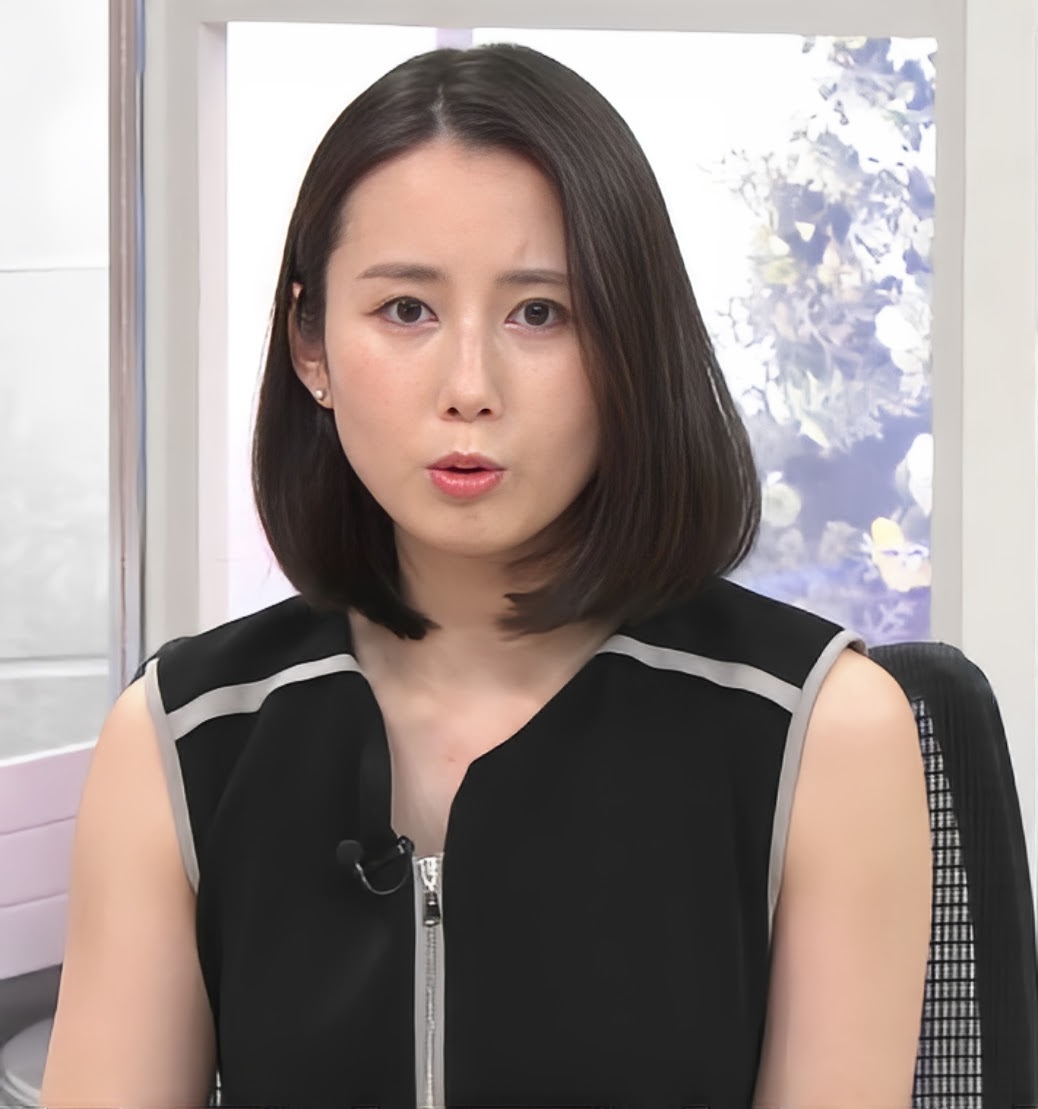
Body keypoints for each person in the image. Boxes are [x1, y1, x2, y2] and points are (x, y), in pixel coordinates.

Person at [40, 41, 932, 1109]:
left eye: (539, 312)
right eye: (406, 310)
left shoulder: (822, 734)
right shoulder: (182, 736)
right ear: (311, 347)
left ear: (632, 345)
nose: (470, 385)